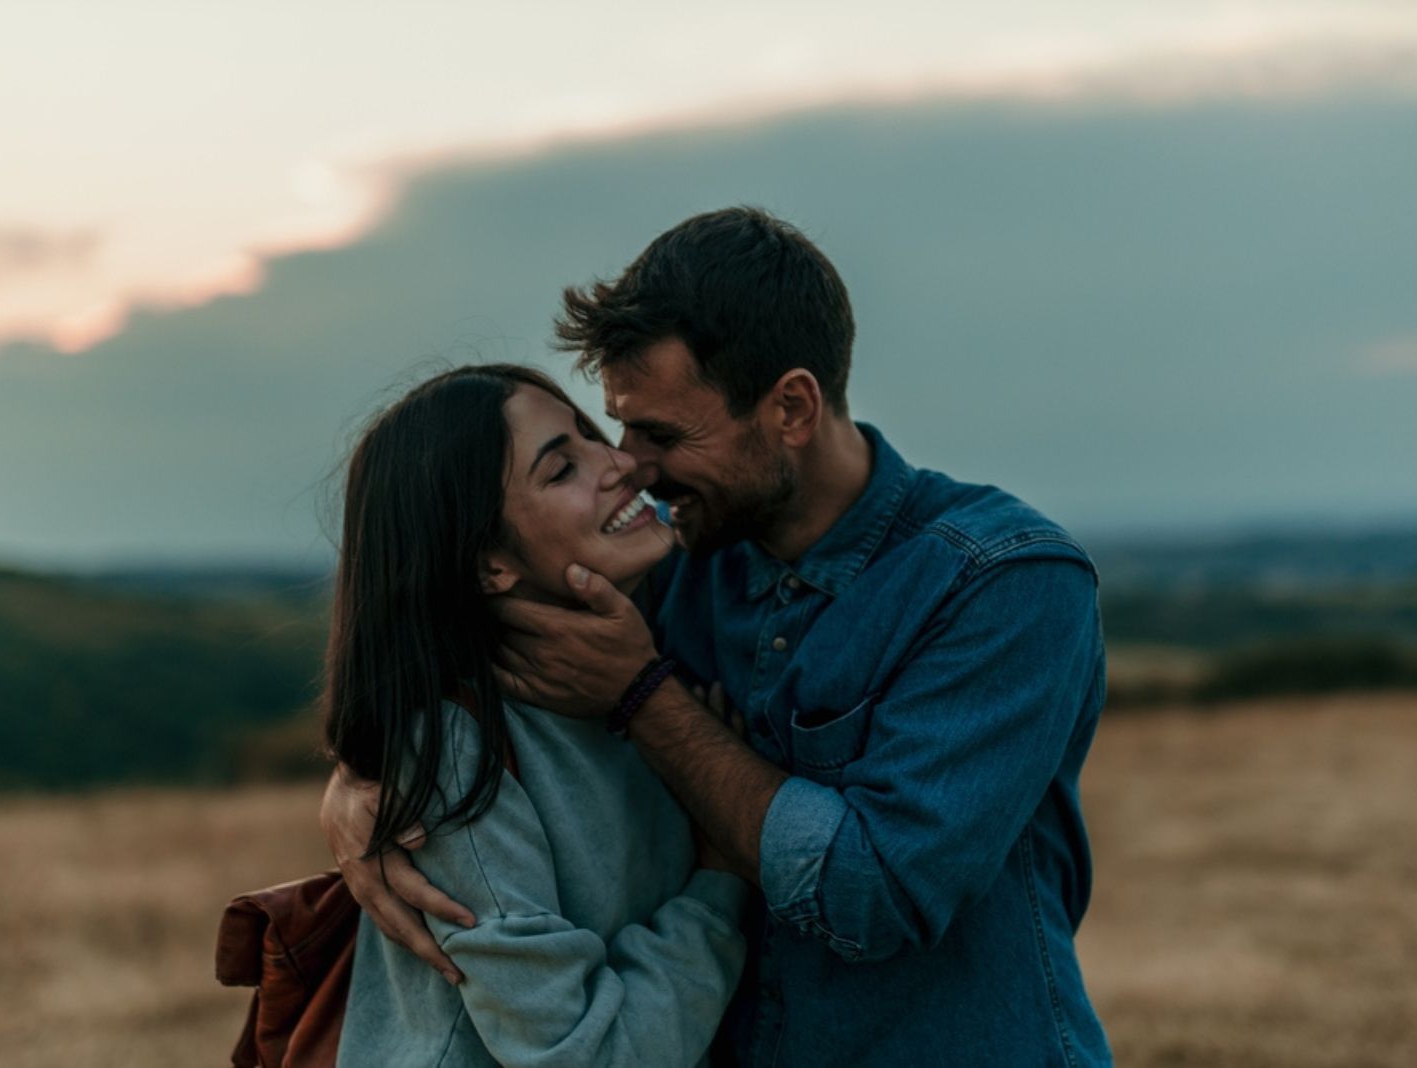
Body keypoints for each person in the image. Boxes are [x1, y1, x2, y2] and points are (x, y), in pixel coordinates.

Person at [324, 208, 1113, 1065]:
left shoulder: (1002, 581)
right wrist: (373, 787)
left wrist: (645, 699)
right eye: (614, 426)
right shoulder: (673, 565)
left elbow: (877, 892)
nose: (628, 462)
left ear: (792, 409)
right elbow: (443, 644)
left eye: (662, 434)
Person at [321, 363, 748, 1067]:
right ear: (488, 566)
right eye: (561, 469)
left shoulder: (676, 629)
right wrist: (722, 880)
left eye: (590, 434)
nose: (621, 464)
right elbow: (579, 1057)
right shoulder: (459, 752)